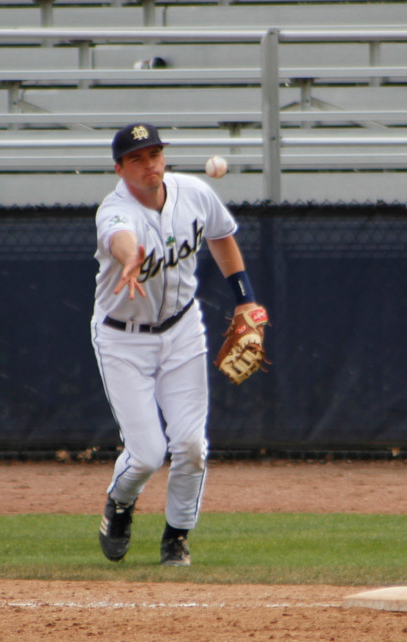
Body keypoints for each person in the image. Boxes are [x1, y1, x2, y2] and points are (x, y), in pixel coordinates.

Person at [91, 123, 264, 566]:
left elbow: (221, 236)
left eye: (154, 154)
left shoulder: (194, 192)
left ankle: (177, 535)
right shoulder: (115, 210)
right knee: (147, 455)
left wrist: (245, 299)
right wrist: (129, 257)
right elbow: (120, 237)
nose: (149, 164)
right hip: (122, 338)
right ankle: (120, 503)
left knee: (190, 445)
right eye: (136, 158)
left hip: (183, 329)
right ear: (120, 168)